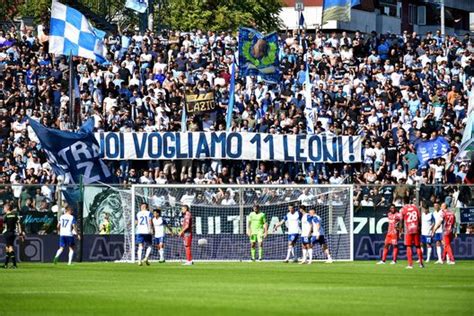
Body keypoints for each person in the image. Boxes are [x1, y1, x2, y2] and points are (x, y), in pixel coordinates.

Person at [400, 197, 423, 269]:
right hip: (416, 228)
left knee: (409, 246)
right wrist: (419, 228)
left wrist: (400, 230)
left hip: (409, 230)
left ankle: (410, 264)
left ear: (403, 202)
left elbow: (401, 220)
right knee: (418, 246)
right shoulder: (415, 208)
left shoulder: (403, 209)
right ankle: (421, 264)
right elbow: (419, 219)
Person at [3, 203, 24, 269]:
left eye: (4, 208)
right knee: (7, 248)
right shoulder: (15, 215)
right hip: (13, 233)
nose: (4, 209)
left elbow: (4, 225)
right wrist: (20, 233)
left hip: (7, 233)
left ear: (7, 208)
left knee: (10, 248)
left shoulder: (6, 216)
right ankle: (6, 264)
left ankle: (14, 264)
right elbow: (19, 224)